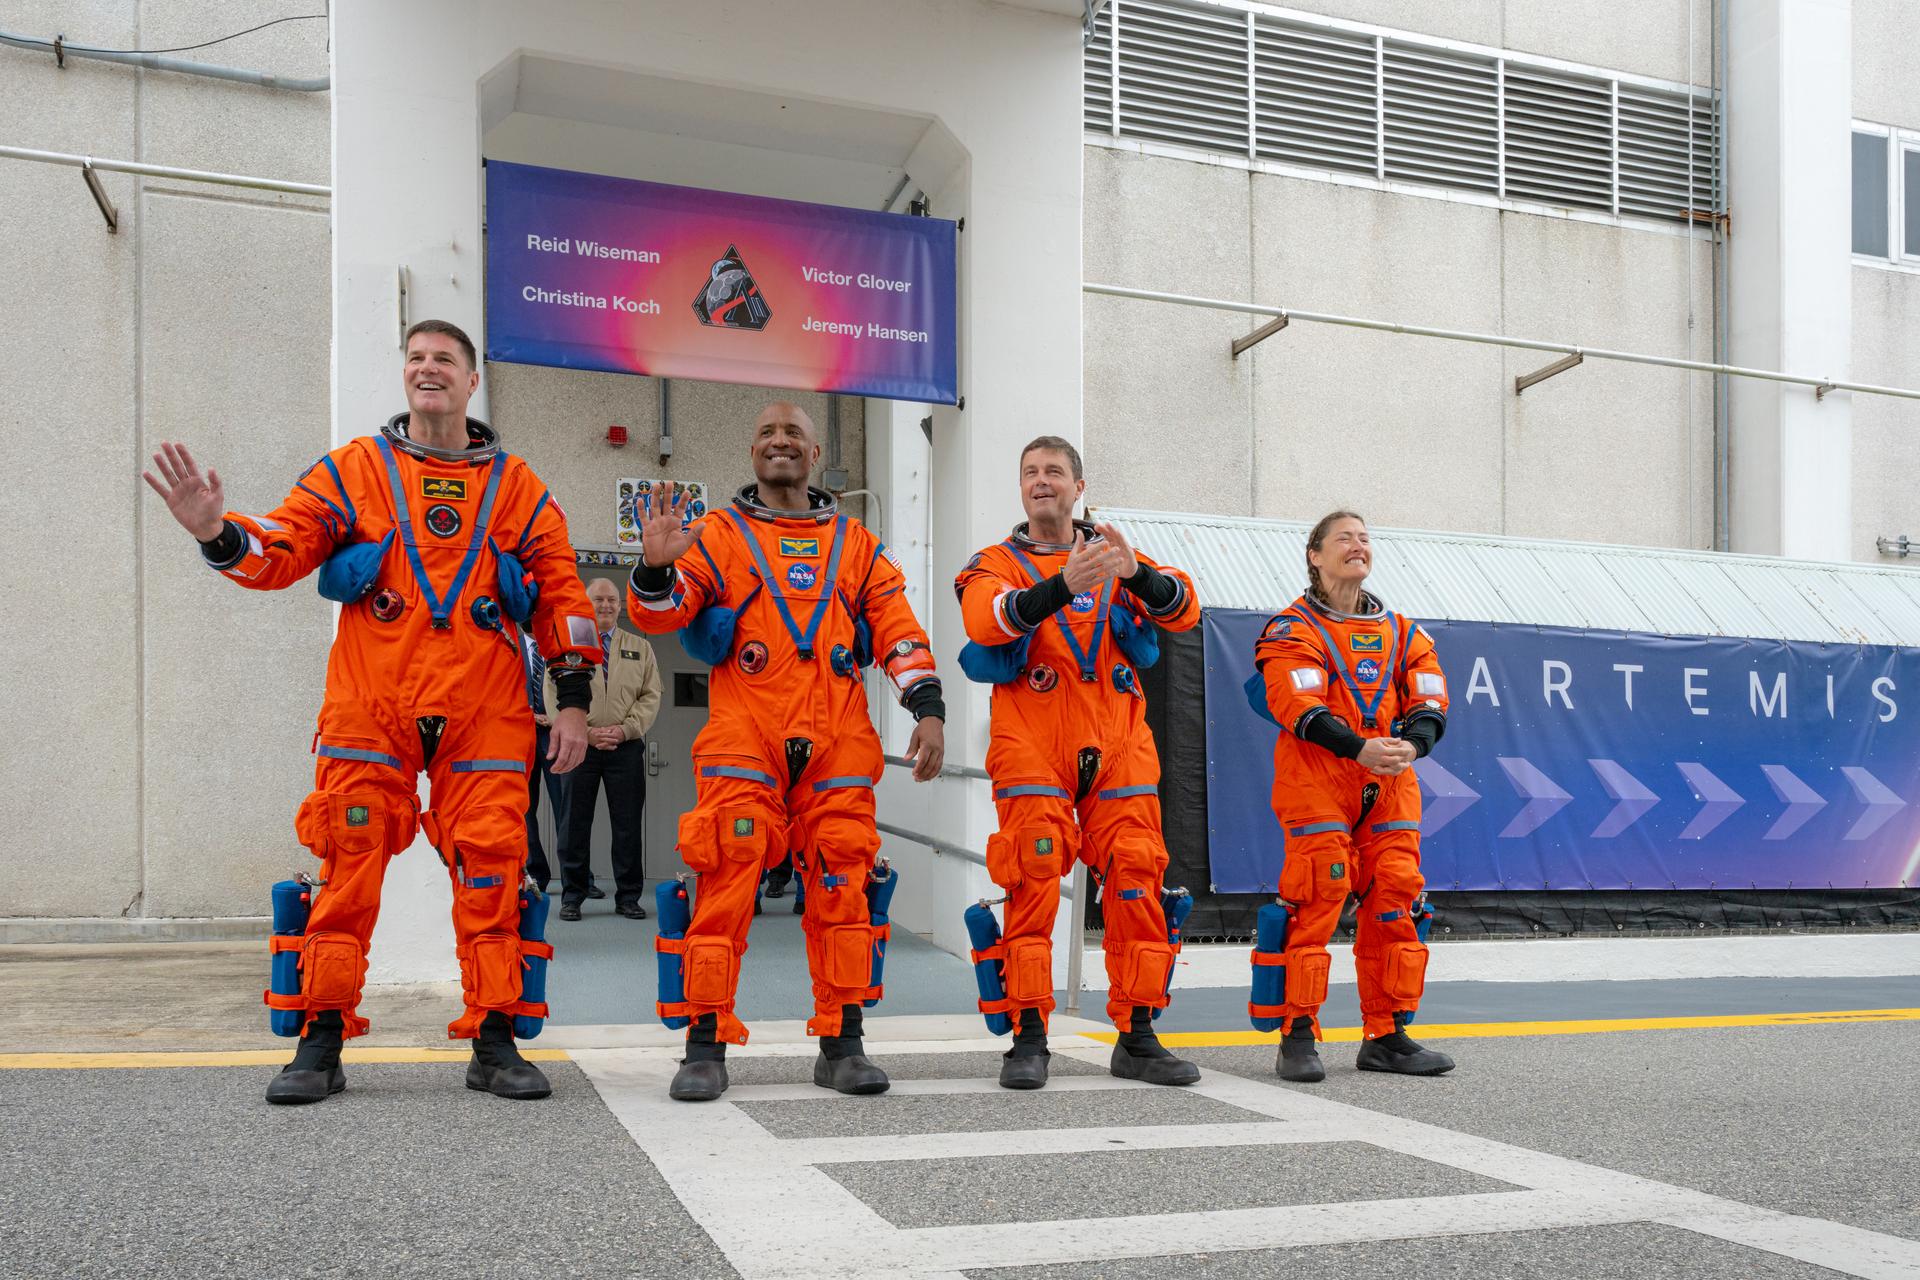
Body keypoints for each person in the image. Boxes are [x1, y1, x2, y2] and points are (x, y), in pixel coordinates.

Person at [142, 319, 600, 1105]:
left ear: (470, 380)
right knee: (347, 865)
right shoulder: (354, 470)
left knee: (493, 868)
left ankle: (494, 1042)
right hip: (371, 705)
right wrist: (219, 534)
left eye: (445, 360)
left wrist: (574, 704)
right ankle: (321, 1040)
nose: (430, 369)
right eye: (417, 358)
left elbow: (563, 596)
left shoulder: (518, 486)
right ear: (405, 376)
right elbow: (282, 549)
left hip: (485, 709)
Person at [627, 401, 946, 1102]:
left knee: (844, 886)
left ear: (815, 453)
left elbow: (897, 626)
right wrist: (653, 571)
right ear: (752, 451)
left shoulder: (857, 545)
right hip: (746, 730)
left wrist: (926, 706)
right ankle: (705, 1044)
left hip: (836, 737)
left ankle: (843, 1043)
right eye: (768, 432)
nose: (780, 442)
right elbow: (663, 612)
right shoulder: (718, 535)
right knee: (727, 879)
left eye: (793, 434)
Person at [954, 436, 1203, 1090]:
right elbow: (988, 622)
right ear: (1021, 488)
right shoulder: (994, 563)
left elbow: (1184, 606)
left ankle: (1139, 1036)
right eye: (1031, 471)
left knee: (1136, 880)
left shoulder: (1116, 554)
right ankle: (1030, 1038)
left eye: (1055, 471)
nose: (1043, 481)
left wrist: (1135, 577)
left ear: (1078, 485)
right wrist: (1063, 585)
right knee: (1033, 876)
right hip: (1032, 738)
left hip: (1117, 740)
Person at [1250, 509, 1454, 1082]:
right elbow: (1297, 705)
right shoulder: (1293, 630)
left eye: (1365, 538)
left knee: (1396, 895)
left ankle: (1385, 1035)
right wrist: (1356, 747)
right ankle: (1297, 1033)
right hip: (1318, 778)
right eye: (1345, 537)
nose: (1358, 545)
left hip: (1389, 781)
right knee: (1319, 893)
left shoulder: (1406, 633)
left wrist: (1412, 747)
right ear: (1315, 555)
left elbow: (1431, 695)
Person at [550, 579, 663, 921]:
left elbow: (651, 694)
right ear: (586, 602)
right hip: (580, 747)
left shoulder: (639, 647)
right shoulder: (569, 642)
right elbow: (552, 693)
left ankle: (628, 897)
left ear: (620, 604)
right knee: (573, 823)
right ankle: (573, 895)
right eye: (598, 599)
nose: (606, 605)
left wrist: (626, 729)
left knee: (627, 825)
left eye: (612, 599)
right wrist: (584, 733)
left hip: (624, 746)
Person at [519, 628, 578, 894]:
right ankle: (535, 872)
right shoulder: (508, 642)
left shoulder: (561, 644)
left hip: (556, 732)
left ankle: (575, 877)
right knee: (524, 807)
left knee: (565, 805)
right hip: (520, 734)